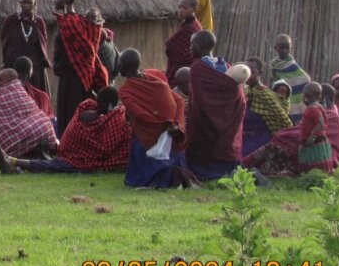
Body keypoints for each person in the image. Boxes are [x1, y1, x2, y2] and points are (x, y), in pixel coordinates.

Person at [0, 87, 129, 174]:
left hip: (89, 160)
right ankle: (29, 158)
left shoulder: (116, 120)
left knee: (57, 165)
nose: (96, 105)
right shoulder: (95, 113)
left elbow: (103, 147)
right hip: (78, 155)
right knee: (58, 163)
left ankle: (13, 161)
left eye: (99, 103)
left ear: (108, 105)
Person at [117, 49, 192, 188]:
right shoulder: (154, 79)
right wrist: (175, 123)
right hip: (171, 130)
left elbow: (139, 114)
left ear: (123, 66)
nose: (117, 65)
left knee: (138, 179)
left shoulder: (126, 90)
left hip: (152, 134)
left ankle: (168, 175)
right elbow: (179, 101)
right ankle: (176, 173)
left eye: (119, 63)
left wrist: (165, 124)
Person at [243, 82, 339, 176]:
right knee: (281, 139)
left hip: (318, 149)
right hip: (314, 144)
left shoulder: (331, 116)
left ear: (321, 98)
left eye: (308, 96)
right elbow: (303, 127)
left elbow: (317, 128)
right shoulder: (317, 109)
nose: (304, 99)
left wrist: (309, 138)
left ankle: (247, 166)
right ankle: (249, 165)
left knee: (283, 141)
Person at [186, 30, 245, 181]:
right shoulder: (226, 65)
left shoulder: (198, 68)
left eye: (192, 44)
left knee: (203, 165)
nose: (190, 48)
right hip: (228, 123)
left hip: (206, 128)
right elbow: (239, 97)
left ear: (200, 45)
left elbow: (199, 101)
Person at [51, 0, 108, 136]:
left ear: (67, 0)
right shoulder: (77, 22)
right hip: (79, 76)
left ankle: (71, 144)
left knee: (71, 114)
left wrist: (59, 65)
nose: (54, 0)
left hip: (73, 77)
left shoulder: (71, 23)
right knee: (72, 113)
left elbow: (87, 49)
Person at [0, 68, 58, 158]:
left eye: (1, 80)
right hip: (44, 129)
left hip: (18, 141)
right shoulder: (22, 90)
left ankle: (31, 153)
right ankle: (41, 151)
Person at [241, 57, 293, 157]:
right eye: (246, 71)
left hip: (260, 140)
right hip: (244, 137)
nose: (248, 75)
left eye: (252, 72)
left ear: (260, 73)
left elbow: (283, 120)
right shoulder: (244, 91)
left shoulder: (265, 95)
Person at [0, 0, 51, 92]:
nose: (26, 6)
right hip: (13, 66)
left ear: (35, 4)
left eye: (29, 3)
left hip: (34, 68)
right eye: (23, 3)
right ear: (19, 3)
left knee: (34, 95)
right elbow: (4, 41)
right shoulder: (11, 20)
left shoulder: (39, 22)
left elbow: (42, 44)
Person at [269, 34, 311, 124]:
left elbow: (306, 79)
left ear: (291, 48)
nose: (285, 51)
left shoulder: (292, 65)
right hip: (278, 99)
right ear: (276, 48)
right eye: (282, 48)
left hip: (291, 101)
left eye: (287, 48)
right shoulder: (274, 64)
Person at [164, 0, 202, 86]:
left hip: (183, 70)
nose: (181, 10)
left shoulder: (191, 28)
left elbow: (178, 50)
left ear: (194, 9)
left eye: (185, 8)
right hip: (177, 66)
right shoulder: (187, 25)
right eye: (180, 7)